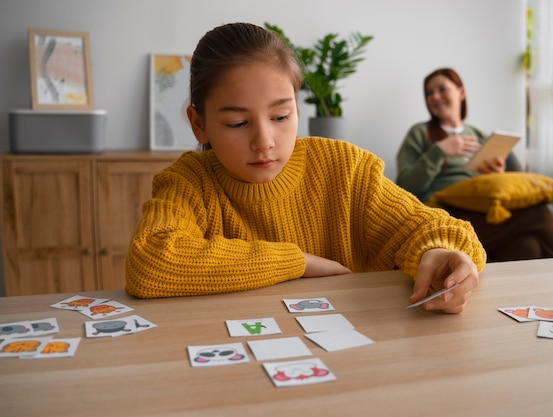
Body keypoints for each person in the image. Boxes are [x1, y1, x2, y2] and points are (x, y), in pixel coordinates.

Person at [125, 24, 486, 313]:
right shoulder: (189, 181)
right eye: (237, 123)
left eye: (281, 116)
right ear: (198, 124)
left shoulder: (345, 168)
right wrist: (297, 262)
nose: (264, 141)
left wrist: (438, 252)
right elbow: (151, 263)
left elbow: (439, 228)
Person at [396, 67, 553, 262]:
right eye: (429, 93)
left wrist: (495, 176)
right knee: (537, 213)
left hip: (482, 210)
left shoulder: (480, 135)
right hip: (446, 215)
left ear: (461, 92)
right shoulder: (420, 133)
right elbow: (404, 187)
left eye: (442, 89)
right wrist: (439, 152)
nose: (435, 97)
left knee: (527, 246)